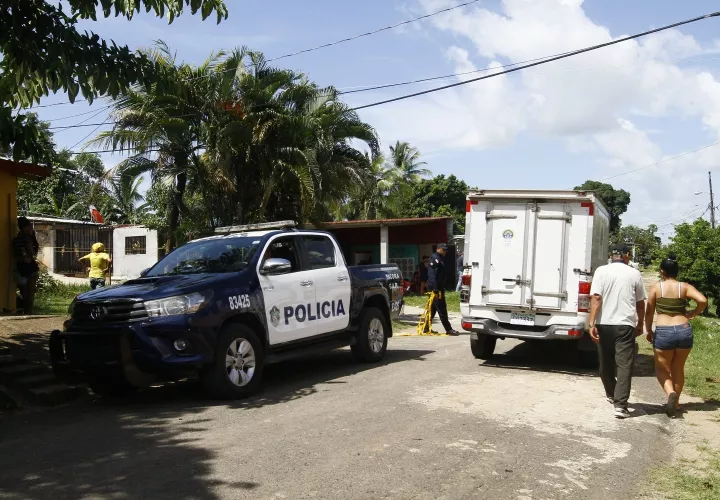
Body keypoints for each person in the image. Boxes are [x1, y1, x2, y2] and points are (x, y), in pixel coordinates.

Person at [588, 243, 647, 419]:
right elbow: (640, 302)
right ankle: (620, 405)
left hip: (604, 323)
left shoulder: (601, 271)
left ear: (611, 255)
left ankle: (612, 394)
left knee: (605, 362)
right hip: (625, 325)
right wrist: (640, 323)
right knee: (624, 364)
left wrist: (591, 323)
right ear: (627, 255)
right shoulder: (634, 273)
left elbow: (596, 297)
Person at [644, 255, 707, 418]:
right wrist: (694, 312)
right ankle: (676, 403)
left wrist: (648, 330)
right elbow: (702, 300)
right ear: (677, 272)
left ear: (662, 271)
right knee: (678, 368)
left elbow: (649, 310)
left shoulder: (657, 287)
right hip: (684, 329)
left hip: (664, 330)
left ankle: (671, 393)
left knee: (661, 368)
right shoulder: (684, 287)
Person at [426, 243, 459, 336]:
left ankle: (426, 328)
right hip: (436, 288)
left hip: (437, 287)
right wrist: (435, 288)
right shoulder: (435, 259)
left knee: (432, 309)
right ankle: (448, 329)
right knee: (442, 309)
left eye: (446, 250)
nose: (445, 252)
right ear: (438, 249)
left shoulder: (439, 258)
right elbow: (433, 275)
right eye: (443, 250)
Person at [12, 216, 40, 314]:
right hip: (30, 269)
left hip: (20, 268)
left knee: (23, 292)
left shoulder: (15, 240)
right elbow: (32, 253)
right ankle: (28, 313)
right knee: (30, 293)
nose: (32, 229)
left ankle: (23, 310)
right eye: (30, 227)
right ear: (24, 228)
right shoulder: (28, 239)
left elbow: (15, 255)